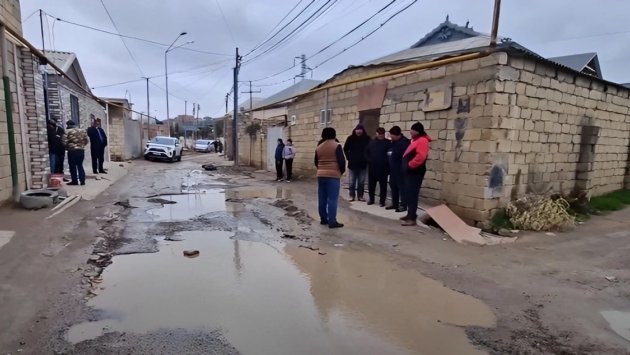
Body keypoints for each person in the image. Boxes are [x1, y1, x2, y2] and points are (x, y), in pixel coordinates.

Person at [401, 122, 432, 226]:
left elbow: (421, 157)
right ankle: (409, 214)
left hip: (415, 172)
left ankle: (412, 218)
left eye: (412, 130)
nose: (410, 132)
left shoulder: (422, 140)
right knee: (409, 194)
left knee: (412, 194)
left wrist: (410, 165)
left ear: (417, 131)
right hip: (411, 172)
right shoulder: (417, 140)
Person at [315, 127, 346, 229]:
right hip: (333, 175)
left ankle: (324, 219)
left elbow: (316, 161)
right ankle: (332, 221)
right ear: (334, 134)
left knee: (322, 198)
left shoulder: (319, 146)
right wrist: (340, 172)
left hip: (321, 174)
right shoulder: (336, 145)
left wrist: (321, 169)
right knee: (332, 199)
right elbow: (341, 161)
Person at [343, 123, 370, 202]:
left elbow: (370, 150)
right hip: (352, 164)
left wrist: (367, 159)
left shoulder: (367, 138)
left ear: (362, 130)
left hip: (363, 164)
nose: (358, 131)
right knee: (352, 181)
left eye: (360, 130)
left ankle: (360, 196)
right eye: (357, 130)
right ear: (355, 130)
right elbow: (345, 149)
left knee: (361, 182)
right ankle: (352, 196)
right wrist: (348, 157)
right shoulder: (350, 138)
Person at [365, 127, 391, 207]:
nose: (381, 136)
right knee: (371, 185)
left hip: (383, 168)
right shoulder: (371, 142)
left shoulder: (388, 143)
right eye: (379, 135)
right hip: (372, 167)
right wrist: (369, 160)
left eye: (382, 135)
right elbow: (366, 152)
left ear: (384, 134)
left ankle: (382, 201)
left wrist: (386, 162)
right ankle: (371, 199)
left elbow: (390, 154)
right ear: (376, 133)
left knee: (383, 186)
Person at [387, 126, 410, 212]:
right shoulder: (394, 142)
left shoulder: (405, 142)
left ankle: (403, 205)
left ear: (397, 135)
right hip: (393, 169)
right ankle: (394, 203)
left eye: (392, 135)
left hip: (401, 169)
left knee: (402, 187)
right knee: (393, 186)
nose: (390, 137)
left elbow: (405, 156)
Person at [62, 120, 88, 186]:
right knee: (80, 165)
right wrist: (81, 146)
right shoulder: (82, 131)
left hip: (72, 151)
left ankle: (75, 181)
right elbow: (86, 140)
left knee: (72, 166)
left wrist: (67, 147)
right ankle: (82, 181)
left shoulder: (67, 131)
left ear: (68, 125)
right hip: (81, 151)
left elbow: (64, 141)